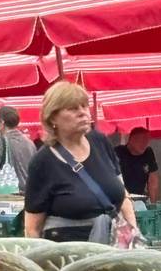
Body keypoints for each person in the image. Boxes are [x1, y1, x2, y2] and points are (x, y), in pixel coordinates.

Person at [24, 82, 137, 242]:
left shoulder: (100, 142)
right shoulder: (42, 162)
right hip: (68, 252)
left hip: (112, 247)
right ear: (53, 117)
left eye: (84, 106)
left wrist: (133, 233)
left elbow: (123, 195)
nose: (82, 112)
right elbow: (32, 228)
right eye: (73, 108)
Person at [0, 105, 37, 193]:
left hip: (9, 195)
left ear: (2, 123)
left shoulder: (1, 141)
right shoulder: (30, 143)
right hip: (28, 194)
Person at [114, 127, 159, 202]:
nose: (144, 144)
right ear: (131, 140)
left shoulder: (148, 153)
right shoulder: (118, 153)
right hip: (120, 199)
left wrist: (153, 203)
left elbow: (152, 180)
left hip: (139, 199)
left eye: (147, 141)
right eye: (142, 141)